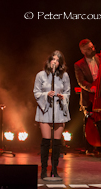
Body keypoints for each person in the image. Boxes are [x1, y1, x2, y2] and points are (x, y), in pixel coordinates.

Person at [74, 38, 101, 153]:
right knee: (89, 121)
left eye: (92, 46)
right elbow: (81, 81)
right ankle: (90, 146)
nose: (92, 49)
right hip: (89, 97)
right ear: (83, 52)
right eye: (89, 49)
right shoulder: (78, 64)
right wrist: (91, 87)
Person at [33, 50, 71, 179]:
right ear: (49, 61)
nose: (54, 62)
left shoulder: (64, 76)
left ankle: (54, 169)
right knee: (46, 141)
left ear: (60, 63)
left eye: (57, 60)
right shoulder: (40, 75)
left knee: (56, 142)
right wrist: (46, 94)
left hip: (59, 110)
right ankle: (44, 169)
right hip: (45, 110)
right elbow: (36, 92)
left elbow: (68, 92)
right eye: (52, 59)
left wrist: (62, 97)